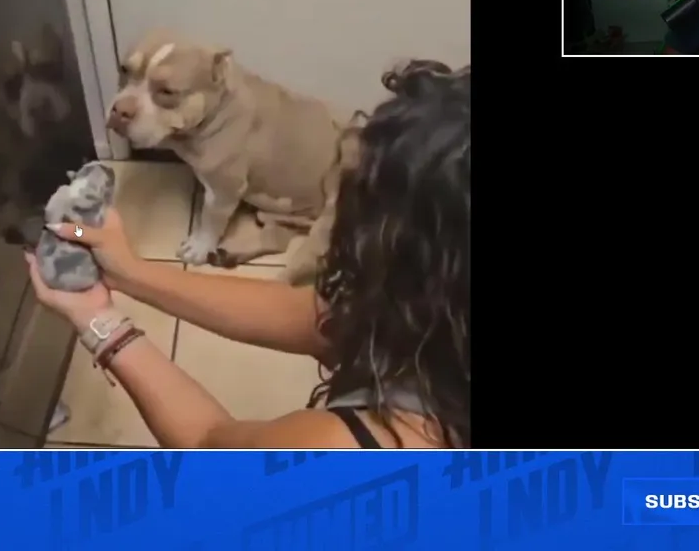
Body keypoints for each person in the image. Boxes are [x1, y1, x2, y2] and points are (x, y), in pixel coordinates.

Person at [25, 63, 471, 449]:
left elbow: (208, 442)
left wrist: (99, 322)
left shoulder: (354, 454)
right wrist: (129, 272)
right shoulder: (446, 319)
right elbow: (321, 320)